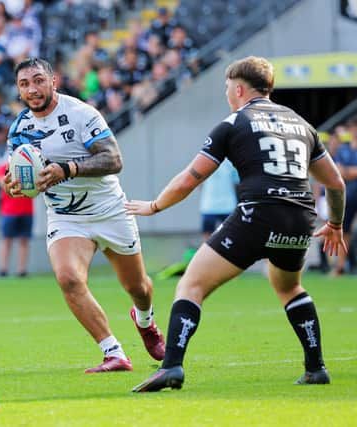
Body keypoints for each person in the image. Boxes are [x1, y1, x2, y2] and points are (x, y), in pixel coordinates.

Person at [125, 56, 347, 392]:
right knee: (289, 287)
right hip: (301, 218)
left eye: (228, 88)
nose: (228, 94)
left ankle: (171, 366)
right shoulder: (303, 125)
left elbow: (189, 179)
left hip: (257, 214)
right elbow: (336, 184)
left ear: (239, 88)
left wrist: (155, 206)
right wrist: (336, 223)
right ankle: (316, 367)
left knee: (191, 285)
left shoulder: (233, 123)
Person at [3, 58, 165, 373]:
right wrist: (13, 185)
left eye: (38, 81)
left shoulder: (81, 114)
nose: (32, 90)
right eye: (24, 84)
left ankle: (144, 321)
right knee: (68, 279)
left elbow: (114, 159)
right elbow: (16, 173)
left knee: (138, 287)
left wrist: (68, 169)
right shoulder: (20, 128)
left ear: (54, 81)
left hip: (109, 210)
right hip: (66, 217)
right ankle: (113, 352)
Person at [0, 161, 33, 277]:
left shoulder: (29, 168)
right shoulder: (4, 167)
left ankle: (21, 270)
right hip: (9, 210)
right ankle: (3, 269)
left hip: (27, 209)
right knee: (7, 240)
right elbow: (3, 183)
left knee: (24, 240)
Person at [332, 116, 357, 275]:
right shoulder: (343, 149)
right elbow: (338, 171)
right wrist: (351, 172)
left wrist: (348, 172)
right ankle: (339, 267)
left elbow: (346, 171)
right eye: (353, 128)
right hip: (348, 195)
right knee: (343, 231)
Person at [199, 158, 239, 241]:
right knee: (229, 236)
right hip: (225, 205)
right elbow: (236, 184)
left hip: (211, 205)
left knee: (208, 235)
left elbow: (199, 184)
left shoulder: (204, 160)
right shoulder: (232, 162)